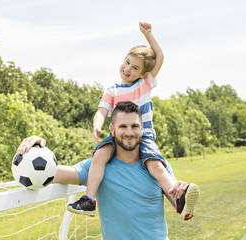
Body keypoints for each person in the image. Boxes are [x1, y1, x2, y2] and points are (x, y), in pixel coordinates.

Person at [67, 22, 200, 221]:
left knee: (155, 165)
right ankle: (89, 200)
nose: (128, 68)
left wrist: (148, 35)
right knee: (99, 156)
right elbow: (102, 110)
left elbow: (161, 57)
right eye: (127, 62)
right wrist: (97, 124)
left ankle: (177, 195)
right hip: (118, 137)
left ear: (143, 73)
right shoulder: (112, 89)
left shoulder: (145, 84)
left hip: (143, 136)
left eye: (135, 67)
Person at [17, 102, 193, 240]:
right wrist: (34, 150)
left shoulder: (157, 166)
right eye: (123, 127)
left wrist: (181, 191)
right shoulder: (97, 167)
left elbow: (178, 202)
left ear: (142, 128)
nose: (129, 132)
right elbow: (52, 173)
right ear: (112, 129)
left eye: (134, 126)